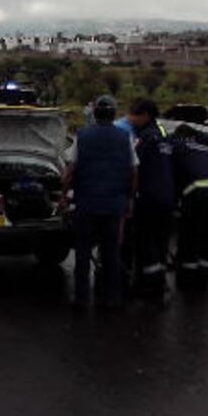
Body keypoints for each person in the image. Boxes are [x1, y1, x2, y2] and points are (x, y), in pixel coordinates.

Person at [62, 95, 138, 309]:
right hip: (114, 205)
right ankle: (111, 299)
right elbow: (133, 171)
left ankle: (81, 298)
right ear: (114, 114)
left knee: (83, 253)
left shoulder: (83, 136)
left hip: (86, 204)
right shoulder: (125, 137)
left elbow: (70, 171)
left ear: (94, 113)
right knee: (111, 253)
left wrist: (63, 197)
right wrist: (129, 199)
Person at [127, 99, 175, 303]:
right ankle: (159, 282)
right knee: (161, 241)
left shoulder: (145, 138)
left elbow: (134, 169)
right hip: (167, 196)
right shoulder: (162, 134)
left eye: (134, 114)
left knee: (146, 241)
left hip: (150, 198)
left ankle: (150, 287)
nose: (130, 118)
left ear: (145, 115)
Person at [170, 123, 208, 280]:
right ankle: (207, 267)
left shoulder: (178, 147)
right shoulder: (207, 148)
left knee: (190, 231)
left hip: (196, 191)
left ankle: (187, 270)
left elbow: (171, 174)